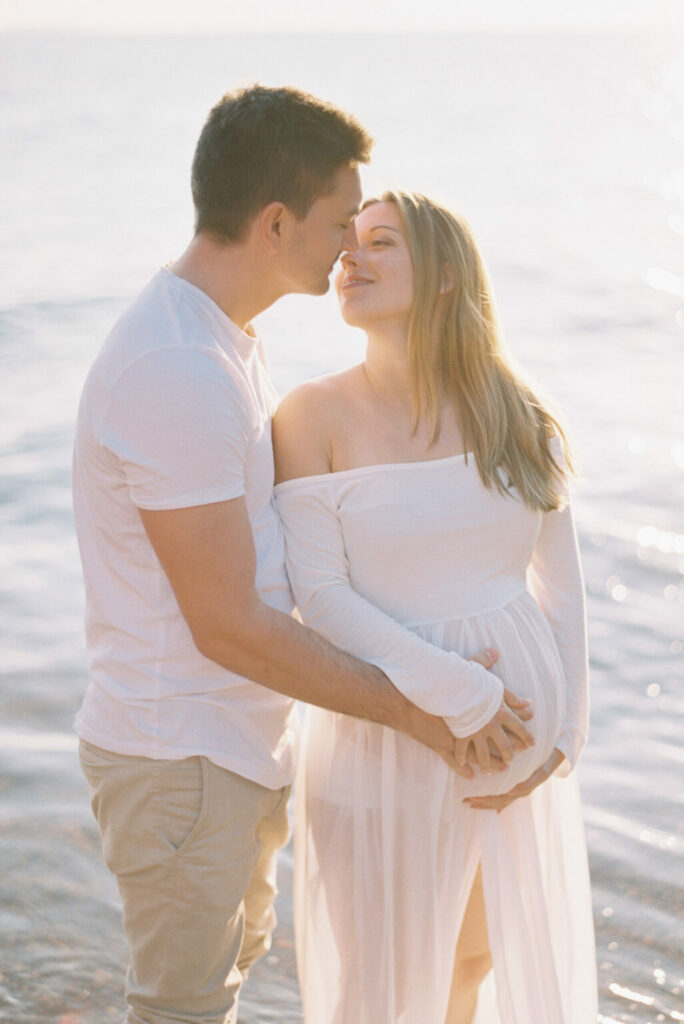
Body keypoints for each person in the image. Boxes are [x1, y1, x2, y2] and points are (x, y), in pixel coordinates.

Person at [72, 88, 532, 1024]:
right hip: (181, 759)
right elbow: (225, 623)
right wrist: (421, 712)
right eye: (337, 224)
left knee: (217, 990)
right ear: (276, 222)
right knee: (182, 1012)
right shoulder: (178, 368)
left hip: (231, 752)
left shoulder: (224, 343)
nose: (347, 248)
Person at [272, 191, 598, 1023]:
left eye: (381, 242)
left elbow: (561, 592)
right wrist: (461, 693)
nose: (351, 257)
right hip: (380, 739)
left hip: (511, 750)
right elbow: (321, 599)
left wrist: (563, 737)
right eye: (347, 243)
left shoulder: (520, 418)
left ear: (447, 277)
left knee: (472, 966)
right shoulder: (313, 415)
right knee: (380, 984)